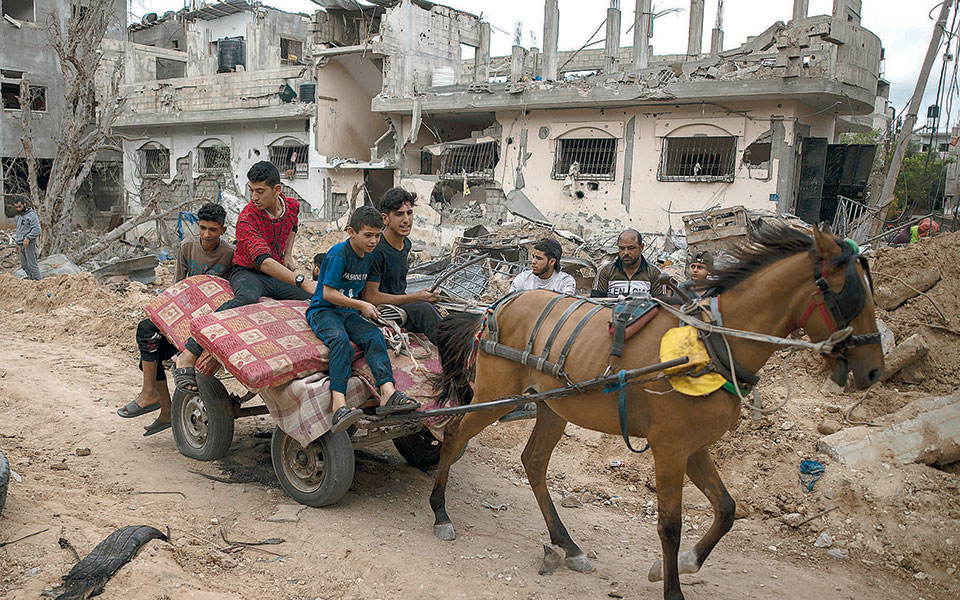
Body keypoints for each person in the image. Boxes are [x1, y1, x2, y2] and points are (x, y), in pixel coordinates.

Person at [173, 161, 316, 394]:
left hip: (277, 270)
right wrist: (300, 279)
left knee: (312, 300)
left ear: (277, 190)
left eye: (260, 191)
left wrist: (288, 254)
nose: (254, 197)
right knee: (247, 298)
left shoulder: (291, 205)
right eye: (251, 190)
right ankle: (188, 354)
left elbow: (294, 226)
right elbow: (264, 263)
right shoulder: (247, 218)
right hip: (249, 272)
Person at [118, 202, 234, 436]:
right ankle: (153, 397)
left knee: (152, 354)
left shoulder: (230, 253)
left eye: (213, 230)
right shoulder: (187, 247)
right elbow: (178, 287)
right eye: (202, 228)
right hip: (186, 312)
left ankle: (160, 405)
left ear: (222, 230)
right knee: (147, 335)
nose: (207, 234)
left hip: (212, 318)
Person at [307, 206, 421, 433]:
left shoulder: (369, 258)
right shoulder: (339, 254)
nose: (373, 241)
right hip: (324, 311)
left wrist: (366, 309)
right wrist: (361, 305)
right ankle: (339, 404)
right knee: (340, 342)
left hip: (348, 313)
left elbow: (365, 292)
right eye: (367, 235)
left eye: (377, 235)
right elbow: (328, 293)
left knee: (374, 336)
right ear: (351, 232)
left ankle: (387, 392)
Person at [363, 187, 442, 344]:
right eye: (399, 214)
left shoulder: (406, 244)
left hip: (400, 304)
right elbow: (370, 297)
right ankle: (454, 353)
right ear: (385, 219)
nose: (406, 220)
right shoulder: (376, 250)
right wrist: (416, 297)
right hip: (383, 311)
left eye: (409, 213)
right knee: (424, 310)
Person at [591, 229, 662, 297]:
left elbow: (661, 305)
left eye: (631, 248)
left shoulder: (654, 273)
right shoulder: (606, 271)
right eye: (622, 248)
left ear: (641, 247)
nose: (626, 253)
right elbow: (595, 302)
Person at [510, 238, 576, 294]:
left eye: (539, 258)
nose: (533, 262)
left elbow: (565, 304)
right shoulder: (522, 279)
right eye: (533, 257)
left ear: (552, 261)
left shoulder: (565, 281)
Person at [13, 198, 41, 280]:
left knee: (32, 266)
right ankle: (31, 281)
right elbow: (20, 231)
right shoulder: (20, 217)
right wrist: (17, 243)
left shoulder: (31, 215)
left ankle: (38, 283)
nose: (18, 209)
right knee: (24, 266)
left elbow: (37, 229)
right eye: (16, 207)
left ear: (24, 204)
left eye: (19, 206)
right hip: (21, 244)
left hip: (29, 244)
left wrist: (28, 238)